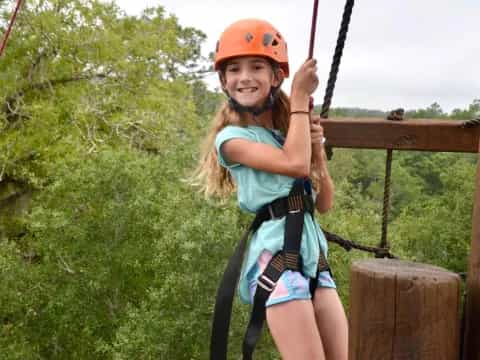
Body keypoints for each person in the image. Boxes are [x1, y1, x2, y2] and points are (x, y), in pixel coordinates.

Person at [195, 18, 348, 360]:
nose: (244, 77)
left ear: (275, 76)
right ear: (224, 81)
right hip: (275, 261)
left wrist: (318, 152)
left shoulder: (285, 138)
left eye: (256, 67)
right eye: (234, 69)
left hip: (314, 262)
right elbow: (294, 165)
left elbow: (323, 203)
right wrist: (299, 98)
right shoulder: (231, 141)